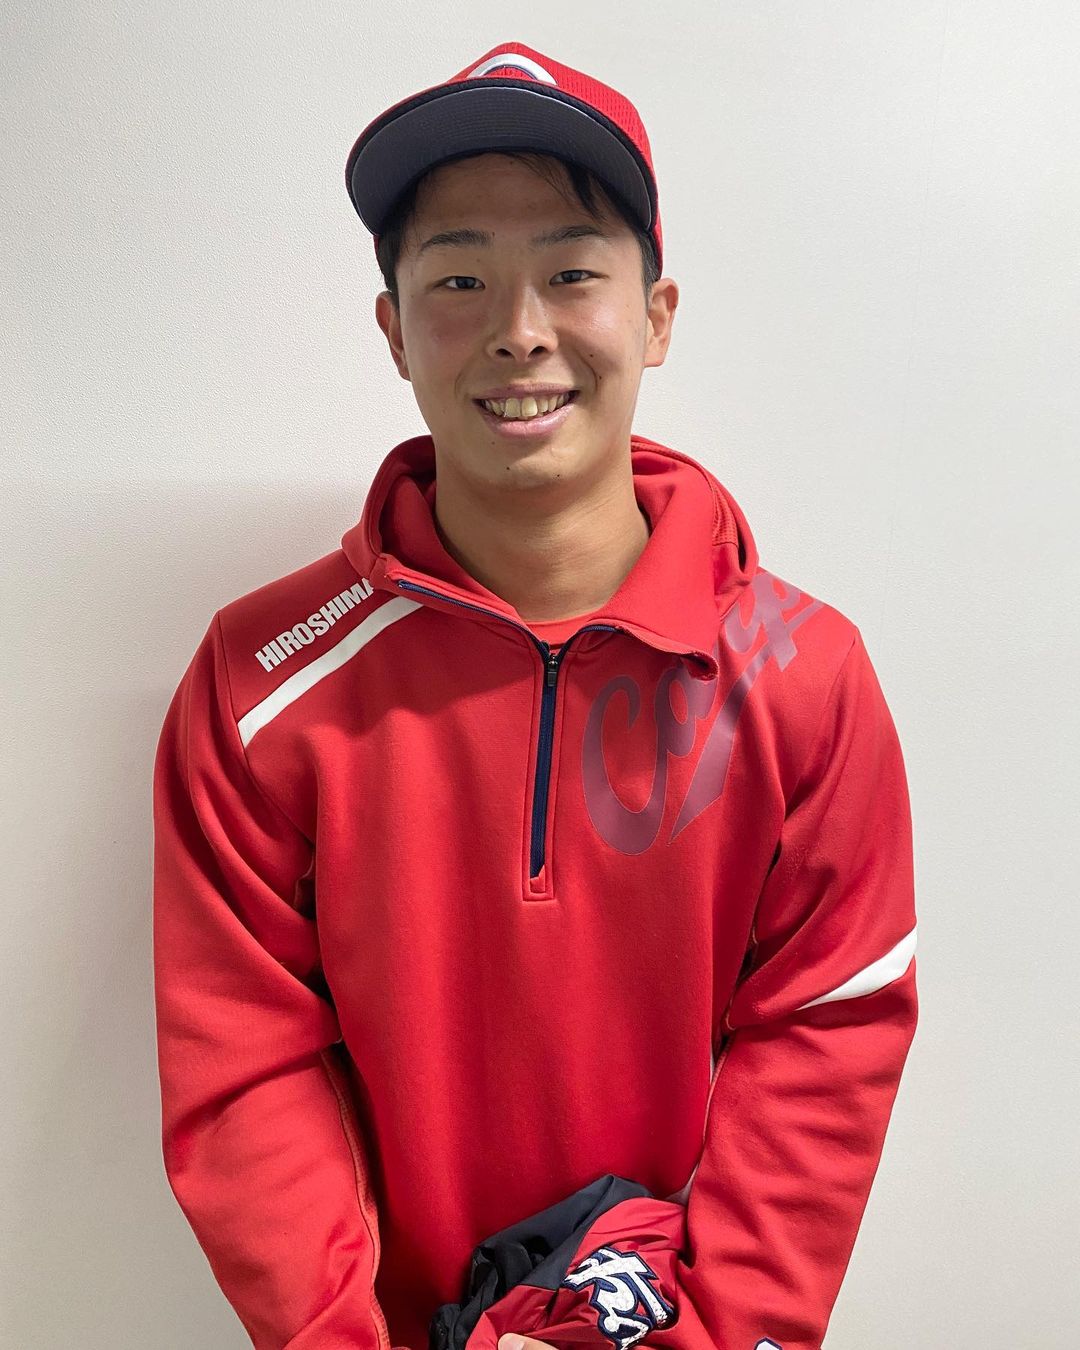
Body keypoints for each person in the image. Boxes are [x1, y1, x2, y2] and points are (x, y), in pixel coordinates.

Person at [152, 39, 919, 1350]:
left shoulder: (807, 675)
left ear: (656, 317)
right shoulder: (261, 679)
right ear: (395, 330)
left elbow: (826, 1037)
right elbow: (241, 1065)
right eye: (460, 278)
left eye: (571, 272)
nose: (520, 330)